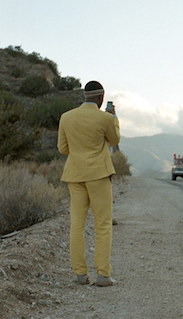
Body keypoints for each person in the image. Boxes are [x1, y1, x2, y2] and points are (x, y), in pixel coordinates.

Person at [57, 80, 120, 287]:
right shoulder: (105, 118)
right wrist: (115, 117)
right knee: (102, 225)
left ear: (84, 96)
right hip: (99, 175)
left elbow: (63, 149)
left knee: (77, 225)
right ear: (102, 98)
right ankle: (103, 275)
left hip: (75, 175)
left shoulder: (66, 117)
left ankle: (80, 275)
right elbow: (114, 140)